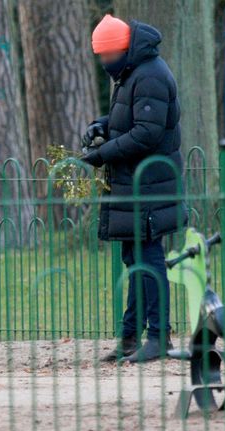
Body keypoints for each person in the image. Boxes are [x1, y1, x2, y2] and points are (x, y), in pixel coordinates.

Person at [81, 15, 187, 363]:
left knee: (149, 259)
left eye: (106, 56)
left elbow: (147, 133)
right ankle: (130, 336)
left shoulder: (151, 75)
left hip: (150, 186)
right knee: (135, 259)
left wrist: (102, 154)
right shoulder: (132, 75)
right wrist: (102, 125)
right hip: (134, 185)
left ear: (122, 50)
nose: (104, 63)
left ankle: (159, 336)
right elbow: (129, 120)